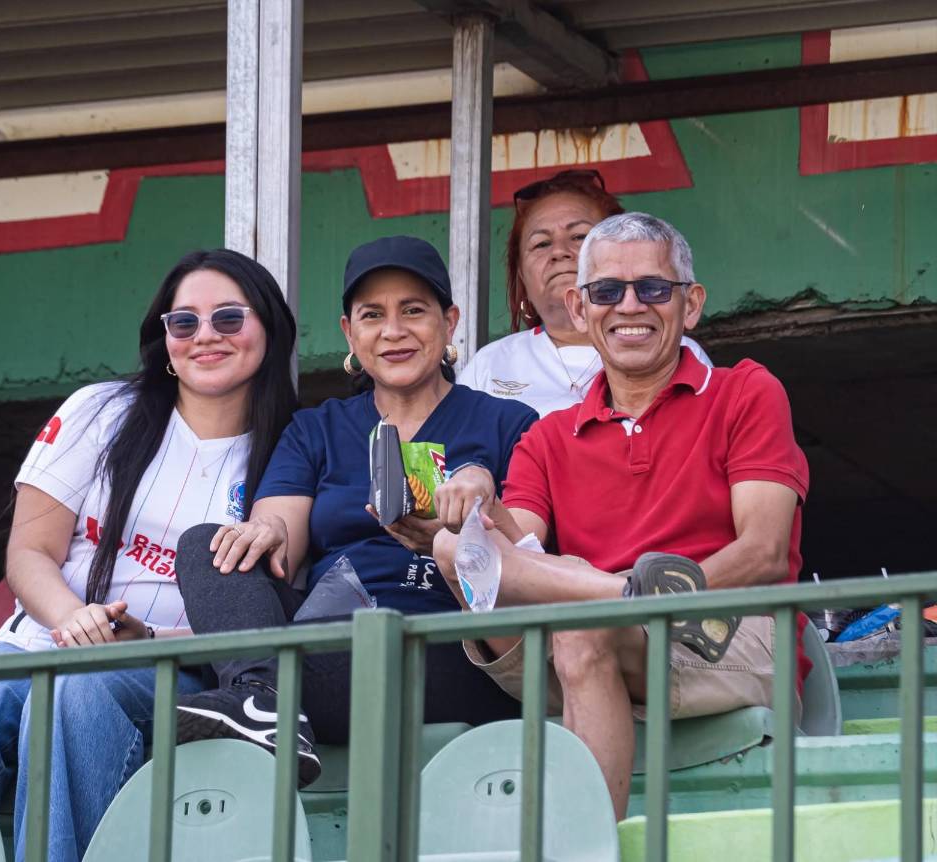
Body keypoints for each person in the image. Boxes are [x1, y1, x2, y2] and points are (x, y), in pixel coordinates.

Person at [0, 249, 299, 862]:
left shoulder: (294, 445)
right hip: (45, 643)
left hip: (183, 668)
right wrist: (74, 620)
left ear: (269, 329)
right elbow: (29, 552)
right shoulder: (100, 410)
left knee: (79, 689)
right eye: (184, 322)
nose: (205, 336)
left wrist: (145, 637)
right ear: (164, 339)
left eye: (229, 318)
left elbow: (271, 601)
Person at [434, 212, 810, 819]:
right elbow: (514, 555)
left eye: (653, 288)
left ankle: (584, 846)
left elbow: (763, 552)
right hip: (590, 637)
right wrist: (481, 490)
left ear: (691, 304)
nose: (629, 305)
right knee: (455, 546)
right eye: (607, 290)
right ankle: (620, 595)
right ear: (580, 309)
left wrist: (640, 605)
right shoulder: (547, 437)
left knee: (582, 627)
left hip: (722, 627)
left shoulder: (745, 391)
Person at [173, 236, 538, 783]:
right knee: (208, 544)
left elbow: (533, 553)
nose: (392, 331)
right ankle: (261, 697)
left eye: (413, 310)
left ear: (450, 322)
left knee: (324, 654)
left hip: (450, 648)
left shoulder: (509, 423)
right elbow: (275, 534)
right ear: (349, 332)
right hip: (329, 645)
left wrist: (473, 516)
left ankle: (261, 696)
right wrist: (265, 530)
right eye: (372, 315)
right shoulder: (316, 428)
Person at [458, 169, 710, 415]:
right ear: (522, 275)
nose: (559, 251)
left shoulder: (677, 350)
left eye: (579, 237)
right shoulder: (490, 363)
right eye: (541, 244)